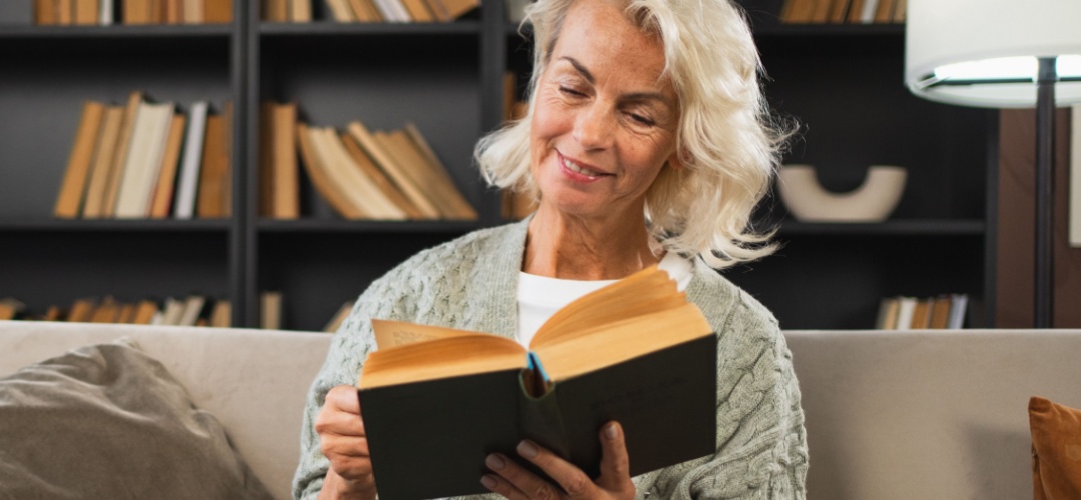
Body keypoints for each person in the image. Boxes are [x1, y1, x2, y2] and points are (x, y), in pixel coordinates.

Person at [289, 0, 809, 498]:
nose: (588, 134)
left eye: (640, 116)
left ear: (685, 146)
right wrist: (348, 486)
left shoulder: (742, 349)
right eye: (572, 88)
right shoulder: (408, 294)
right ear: (538, 86)